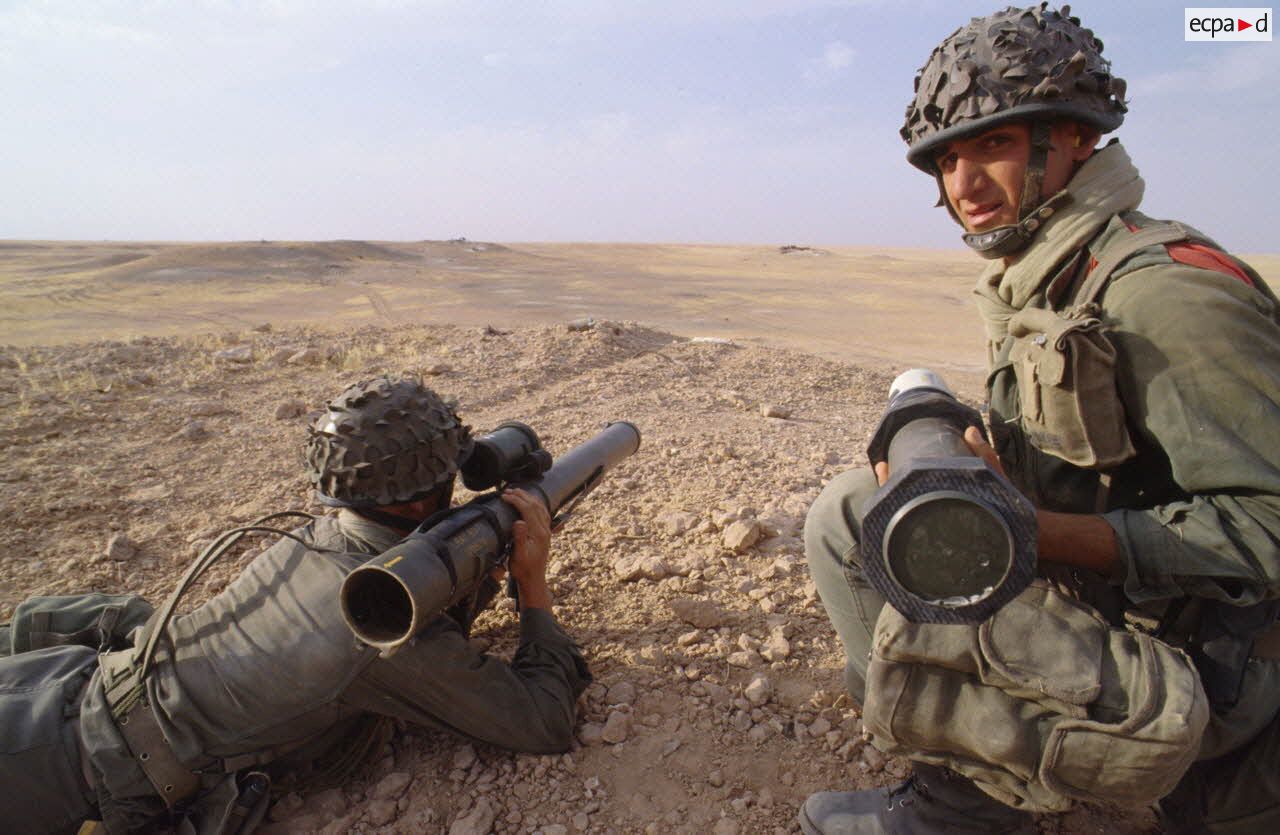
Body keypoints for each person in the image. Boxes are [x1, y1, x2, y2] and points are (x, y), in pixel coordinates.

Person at [801, 4, 1280, 834]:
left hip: (1210, 668)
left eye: (993, 144)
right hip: (1127, 608)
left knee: (903, 537)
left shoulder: (1165, 293)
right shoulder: (1051, 278)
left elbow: (1269, 525)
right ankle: (974, 772)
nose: (963, 186)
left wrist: (1031, 528)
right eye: (946, 160)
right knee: (863, 515)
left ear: (1077, 138)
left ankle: (967, 812)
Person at [0, 375, 591, 834]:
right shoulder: (376, 621)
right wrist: (532, 586)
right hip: (59, 776)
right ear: (417, 505)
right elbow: (540, 722)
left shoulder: (320, 537)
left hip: (52, 685)